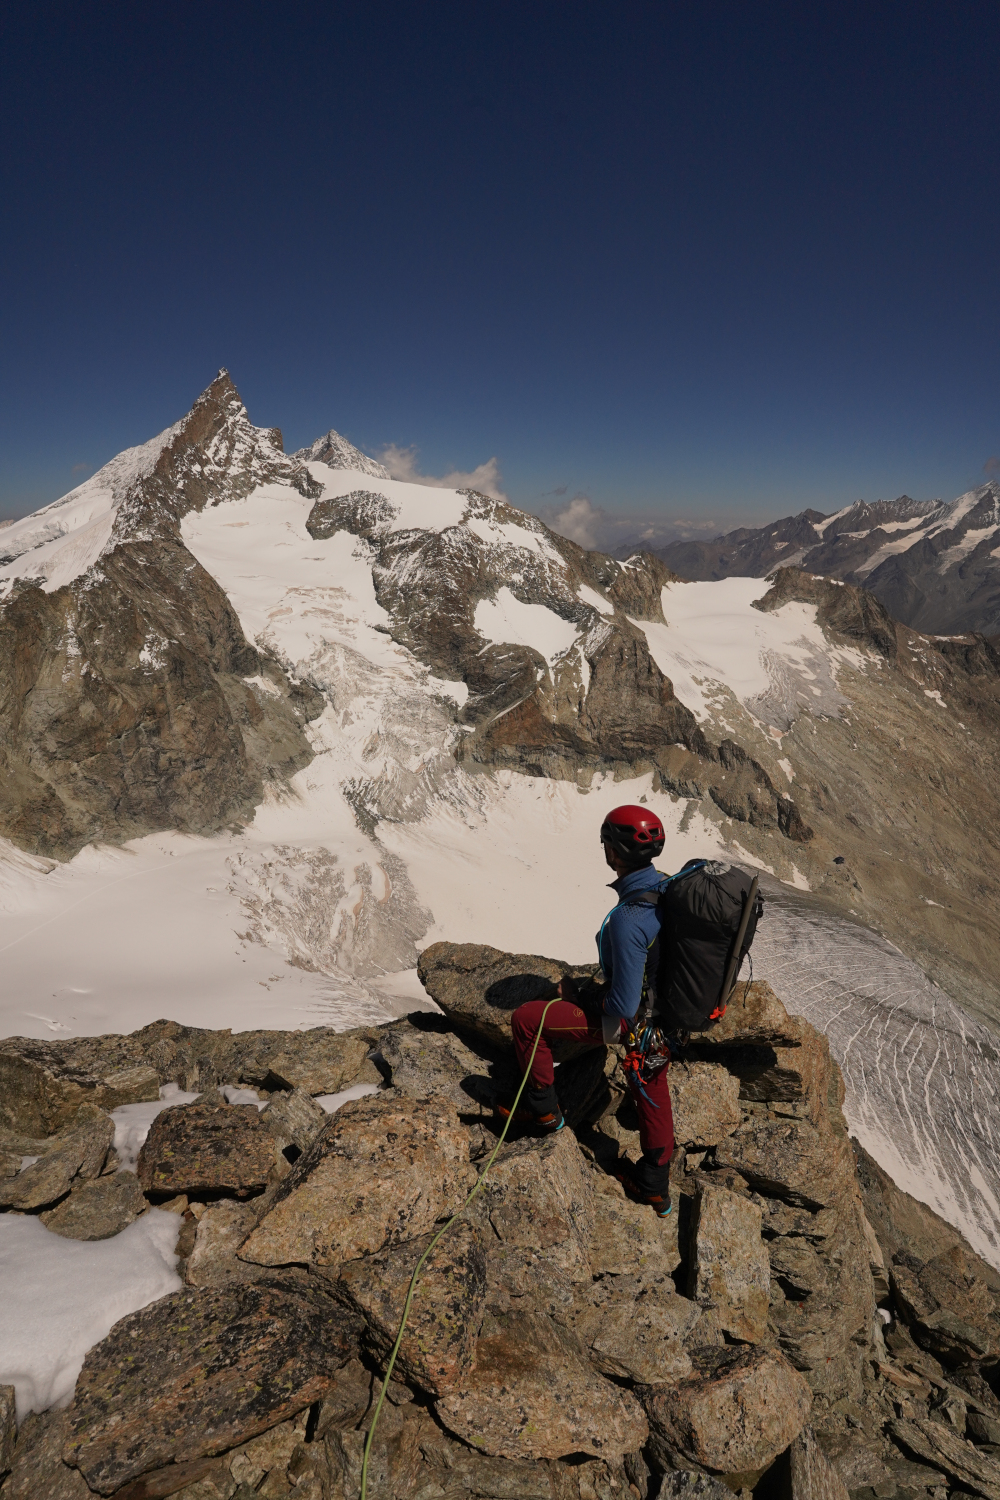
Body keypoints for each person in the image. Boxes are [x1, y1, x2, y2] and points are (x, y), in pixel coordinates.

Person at [499, 804, 675, 1216]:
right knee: (652, 1086)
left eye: (605, 843)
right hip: (666, 1017)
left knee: (527, 1020)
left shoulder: (629, 919)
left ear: (613, 850)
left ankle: (543, 1111)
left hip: (634, 1021)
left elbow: (621, 1006)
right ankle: (655, 1184)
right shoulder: (669, 887)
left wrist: (580, 996)